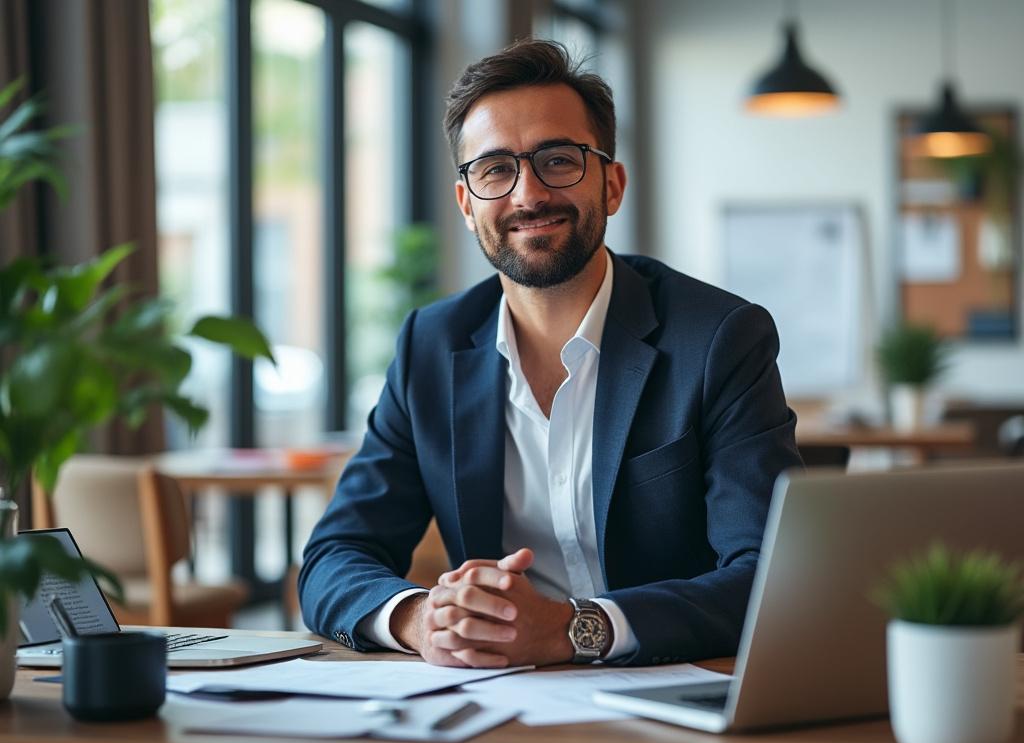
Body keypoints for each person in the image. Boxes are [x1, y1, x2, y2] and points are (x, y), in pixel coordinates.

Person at [299, 39, 801, 668]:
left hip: (676, 691)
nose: (528, 194)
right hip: (490, 702)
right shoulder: (430, 345)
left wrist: (575, 630)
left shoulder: (720, 338)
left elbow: (767, 574)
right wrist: (421, 617)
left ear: (612, 185)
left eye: (558, 160)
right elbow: (334, 556)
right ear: (466, 203)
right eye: (494, 170)